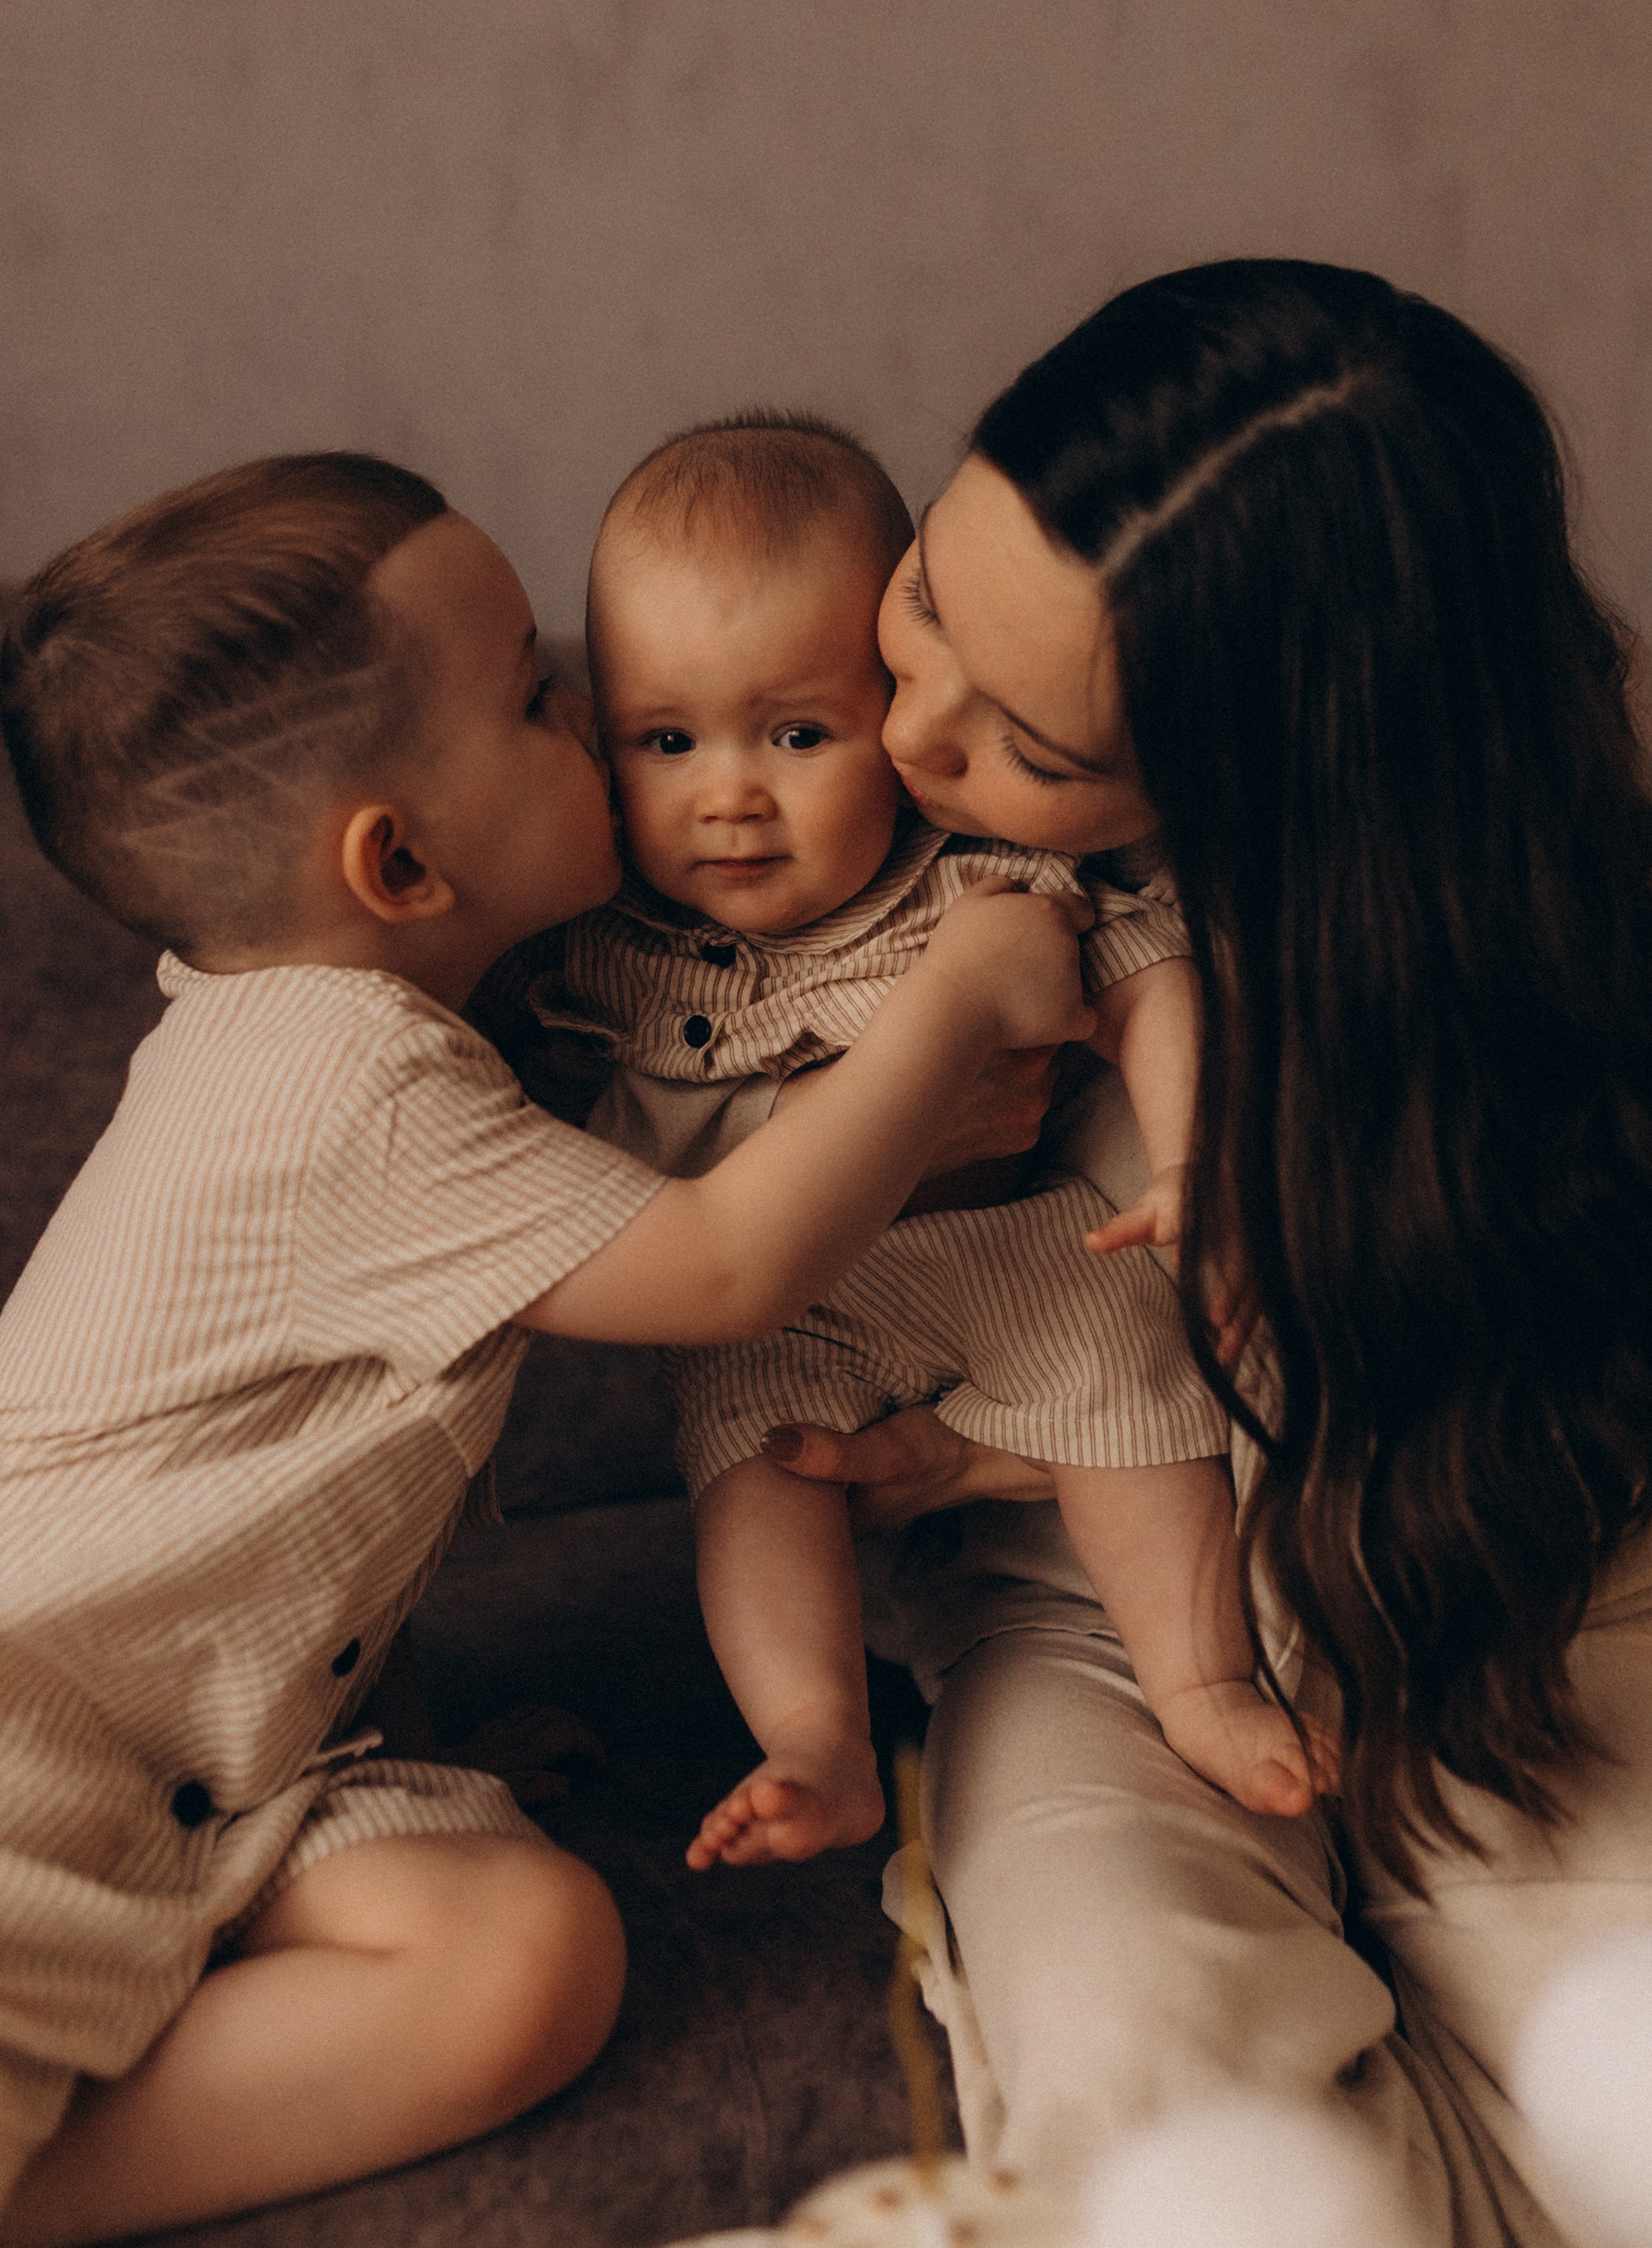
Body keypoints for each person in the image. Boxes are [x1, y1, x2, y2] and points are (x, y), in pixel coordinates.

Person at [0, 455, 1090, 2245]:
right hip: (34, 1745)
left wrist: (393, 1724)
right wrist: (962, 986)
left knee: (530, 1952)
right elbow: (733, 1261)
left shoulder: (367, 1049)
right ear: (400, 859)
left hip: (218, 1765)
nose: (593, 716)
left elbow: (284, 1498)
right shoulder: (335, 1075)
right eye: (535, 693)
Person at [762, 260, 1652, 2245]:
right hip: (1092, 1600)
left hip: (1520, 1567)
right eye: (925, 595)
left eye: (1037, 748)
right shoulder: (812, 810)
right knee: (1161, 2111)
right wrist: (986, 1439)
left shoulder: (1552, 866)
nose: (902, 733)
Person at [478, 410, 1331, 1877]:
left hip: (1019, 1249)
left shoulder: (978, 867)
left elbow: (1146, 981)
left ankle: (1200, 1683)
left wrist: (1191, 1164)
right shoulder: (600, 939)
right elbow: (578, 1172)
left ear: (894, 704)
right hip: (785, 1309)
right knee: (748, 1464)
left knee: (1124, 1389)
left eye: (797, 734)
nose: (727, 794)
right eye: (665, 740)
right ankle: (814, 1739)